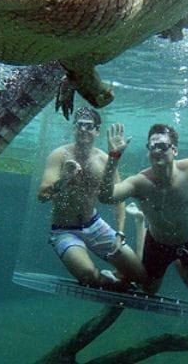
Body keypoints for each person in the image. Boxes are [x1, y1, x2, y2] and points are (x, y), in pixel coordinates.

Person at [99, 116, 188, 297]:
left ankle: (177, 260)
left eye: (162, 146)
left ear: (174, 150)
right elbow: (106, 198)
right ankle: (141, 223)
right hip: (158, 243)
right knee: (149, 291)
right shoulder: (140, 182)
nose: (156, 150)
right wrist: (113, 158)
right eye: (152, 146)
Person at [38, 106, 147, 290]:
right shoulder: (59, 155)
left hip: (94, 224)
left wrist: (120, 234)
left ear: (97, 131)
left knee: (140, 277)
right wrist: (64, 179)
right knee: (89, 277)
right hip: (64, 229)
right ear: (74, 128)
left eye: (89, 126)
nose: (83, 129)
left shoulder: (105, 159)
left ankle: (114, 277)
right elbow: (42, 196)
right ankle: (109, 280)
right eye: (79, 125)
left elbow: (118, 198)